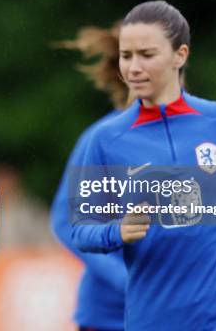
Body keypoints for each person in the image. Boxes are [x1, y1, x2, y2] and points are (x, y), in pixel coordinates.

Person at [70, 0, 216, 330]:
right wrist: (117, 231)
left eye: (146, 55)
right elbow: (80, 229)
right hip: (156, 318)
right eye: (126, 55)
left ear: (181, 55)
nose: (133, 67)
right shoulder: (105, 139)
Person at [50, 22, 128, 331]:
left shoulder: (203, 130)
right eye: (132, 56)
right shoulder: (101, 139)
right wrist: (127, 280)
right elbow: (66, 222)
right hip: (110, 316)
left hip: (183, 315)